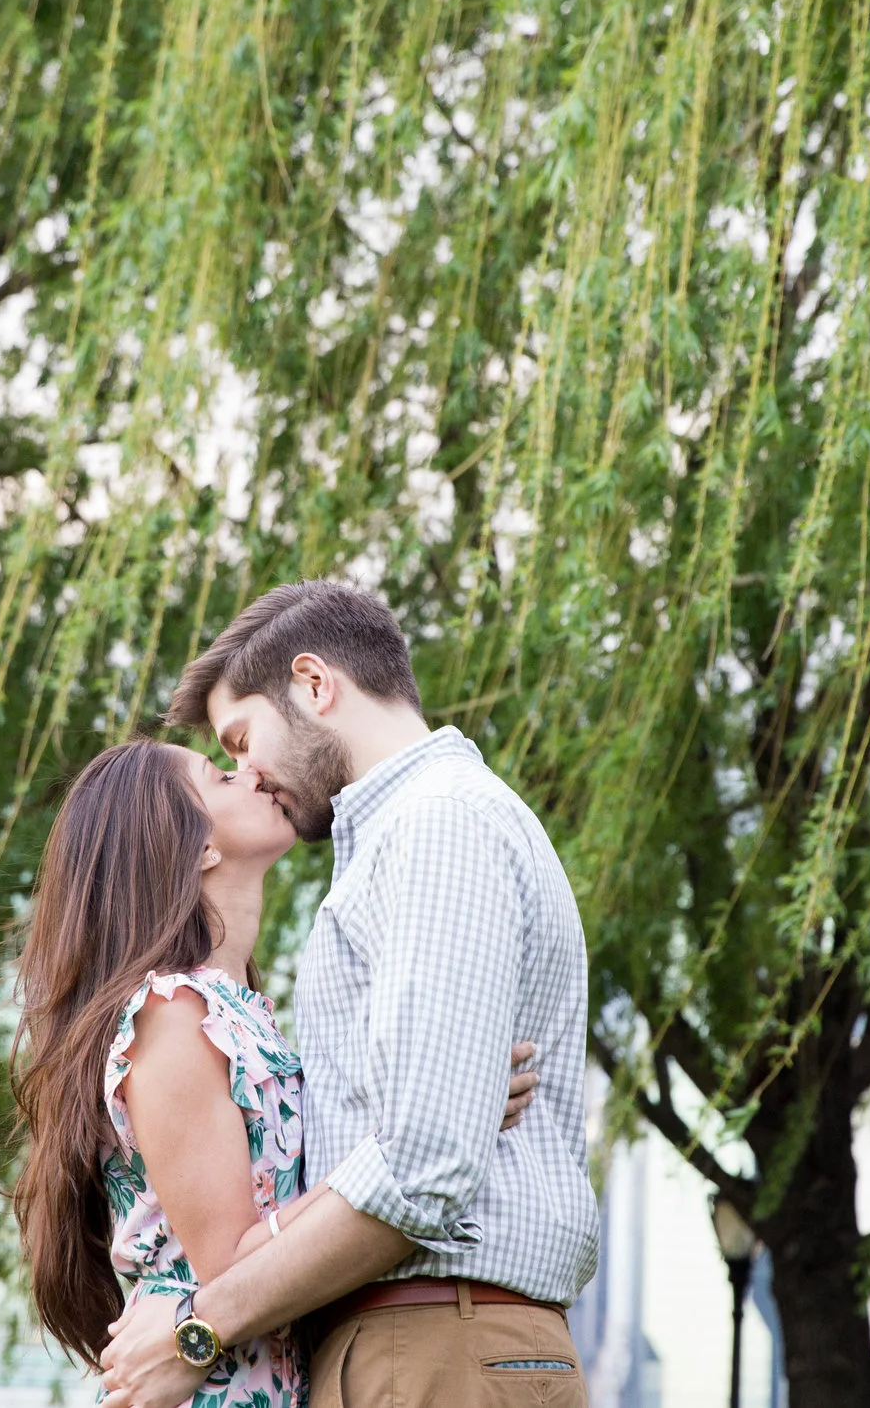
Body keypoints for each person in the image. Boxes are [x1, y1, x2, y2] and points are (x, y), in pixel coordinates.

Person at [99, 581, 599, 1408]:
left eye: (241, 736)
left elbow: (425, 1163)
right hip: (404, 1343)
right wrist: (436, 1101)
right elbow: (417, 1140)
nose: (246, 770)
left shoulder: (437, 822)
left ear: (315, 684)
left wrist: (199, 1323)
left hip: (439, 1341)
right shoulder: (403, 837)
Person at [11, 736, 544, 1408]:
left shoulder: (234, 1012)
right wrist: (436, 1118)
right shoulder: (171, 1015)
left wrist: (439, 1110)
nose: (251, 772)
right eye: (218, 774)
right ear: (198, 846)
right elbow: (234, 1263)